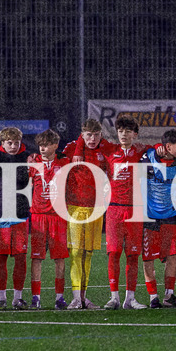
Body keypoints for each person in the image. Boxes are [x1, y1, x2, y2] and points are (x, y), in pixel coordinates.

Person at [61, 120, 111, 309]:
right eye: (88, 135)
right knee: (76, 252)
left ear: (101, 135)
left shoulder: (105, 149)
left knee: (88, 254)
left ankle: (83, 297)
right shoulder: (71, 148)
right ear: (82, 135)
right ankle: (75, 297)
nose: (92, 139)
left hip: (96, 208)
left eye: (96, 135)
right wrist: (78, 146)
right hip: (74, 207)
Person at [103, 117, 149, 310]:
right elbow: (86, 139)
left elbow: (162, 149)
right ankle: (114, 297)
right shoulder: (109, 151)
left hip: (135, 209)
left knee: (132, 254)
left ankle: (130, 299)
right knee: (113, 253)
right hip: (114, 208)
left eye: (128, 131)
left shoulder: (141, 151)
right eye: (121, 131)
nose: (124, 134)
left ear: (135, 134)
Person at [0, 126, 33, 309]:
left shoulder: (28, 158)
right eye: (9, 143)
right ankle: (1, 298)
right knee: (1, 258)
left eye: (16, 143)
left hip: (20, 214)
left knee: (20, 257)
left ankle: (17, 297)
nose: (13, 146)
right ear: (2, 143)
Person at [28, 129, 70, 310]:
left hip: (57, 217)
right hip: (38, 217)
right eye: (40, 145)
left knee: (59, 258)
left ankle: (59, 297)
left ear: (55, 146)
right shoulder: (33, 163)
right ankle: (35, 298)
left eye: (46, 145)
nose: (42, 148)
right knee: (37, 258)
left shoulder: (64, 162)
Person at [144, 130, 176, 308]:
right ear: (168, 146)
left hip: (170, 215)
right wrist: (155, 151)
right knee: (148, 258)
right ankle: (153, 297)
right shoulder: (149, 156)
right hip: (150, 217)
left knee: (172, 256)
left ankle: (169, 295)